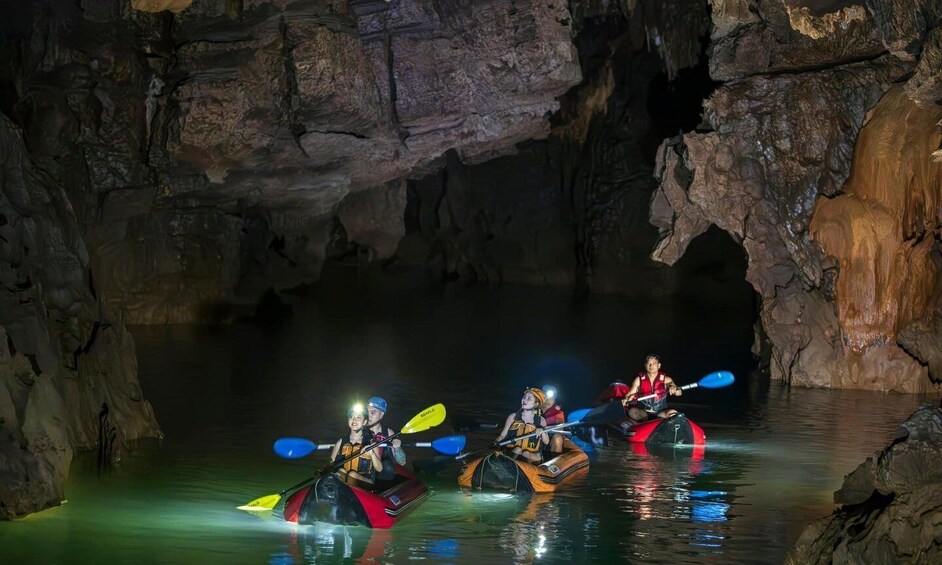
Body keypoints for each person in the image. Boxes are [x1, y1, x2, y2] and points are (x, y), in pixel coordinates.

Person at [330, 403, 383, 487]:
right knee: (340, 471)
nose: (354, 420)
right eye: (351, 417)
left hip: (365, 482)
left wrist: (372, 454)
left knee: (352, 475)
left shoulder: (371, 443)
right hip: (346, 480)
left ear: (364, 422)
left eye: (358, 417)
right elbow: (330, 464)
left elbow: (379, 468)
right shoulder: (340, 442)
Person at [495, 388, 549, 463]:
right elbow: (502, 435)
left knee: (526, 453)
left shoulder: (541, 420)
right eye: (524, 397)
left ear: (536, 404)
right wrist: (495, 444)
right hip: (513, 450)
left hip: (531, 454)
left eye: (529, 399)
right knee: (518, 449)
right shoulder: (513, 416)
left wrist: (543, 432)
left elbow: (546, 442)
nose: (524, 400)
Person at [623, 355, 682, 421]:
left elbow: (679, 393)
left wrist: (675, 389)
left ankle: (653, 423)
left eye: (654, 363)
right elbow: (630, 393)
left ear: (659, 365)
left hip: (660, 412)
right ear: (645, 365)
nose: (651, 366)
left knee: (673, 413)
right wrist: (626, 399)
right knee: (632, 411)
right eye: (649, 364)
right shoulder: (638, 379)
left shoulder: (667, 379)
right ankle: (648, 423)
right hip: (643, 412)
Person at [366, 396, 406, 480]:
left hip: (381, 474)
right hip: (363, 468)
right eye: (367, 411)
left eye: (373, 412)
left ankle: (383, 488)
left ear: (381, 414)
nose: (368, 416)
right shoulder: (358, 429)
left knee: (388, 465)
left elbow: (402, 462)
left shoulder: (389, 433)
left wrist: (397, 448)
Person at [541, 385, 566, 454]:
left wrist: (544, 429)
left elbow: (560, 428)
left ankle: (553, 461)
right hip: (535, 437)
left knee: (558, 438)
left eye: (552, 398)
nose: (550, 400)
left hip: (549, 439)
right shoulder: (533, 409)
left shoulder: (558, 413)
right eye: (546, 397)